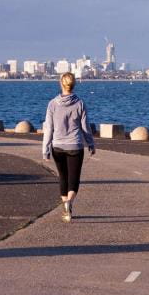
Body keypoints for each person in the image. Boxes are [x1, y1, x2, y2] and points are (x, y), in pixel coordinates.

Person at [42, 72, 95, 222]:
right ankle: (69, 203)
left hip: (57, 146)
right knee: (74, 179)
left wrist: (45, 150)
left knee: (63, 177)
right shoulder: (80, 103)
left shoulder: (52, 104)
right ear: (74, 84)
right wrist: (90, 144)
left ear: (61, 83)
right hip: (75, 146)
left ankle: (66, 208)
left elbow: (49, 129)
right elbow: (85, 128)